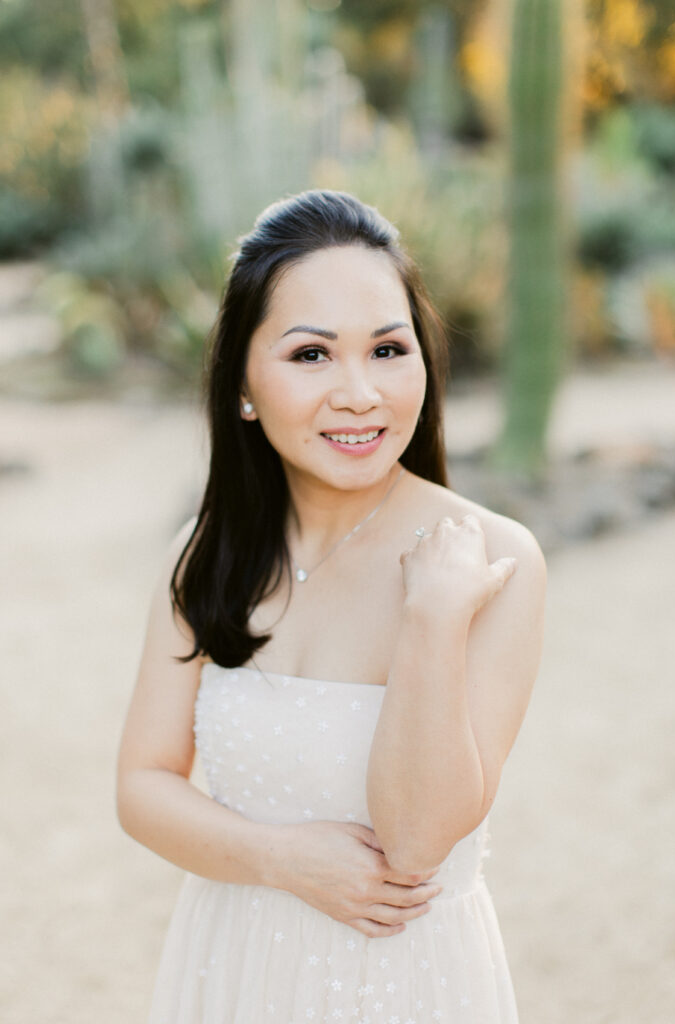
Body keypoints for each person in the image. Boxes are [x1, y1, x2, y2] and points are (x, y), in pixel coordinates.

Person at [117, 189, 546, 1024]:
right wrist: (279, 859)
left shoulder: (494, 561)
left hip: (407, 986)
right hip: (233, 967)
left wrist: (431, 618)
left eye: (388, 349)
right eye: (311, 356)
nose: (359, 394)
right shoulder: (203, 553)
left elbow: (419, 840)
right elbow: (141, 786)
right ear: (242, 384)